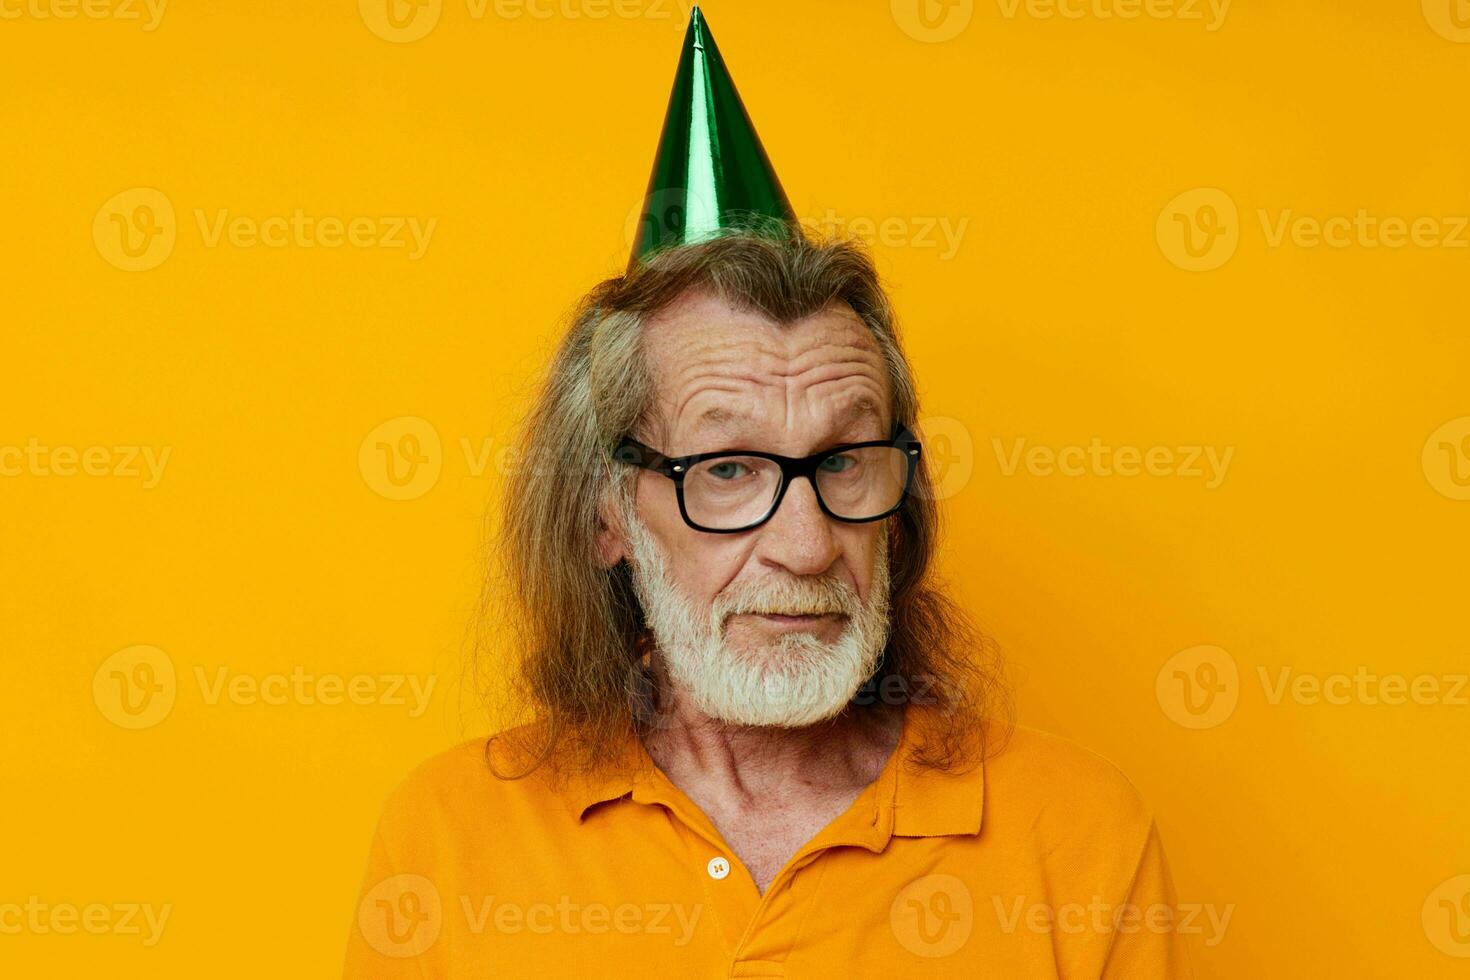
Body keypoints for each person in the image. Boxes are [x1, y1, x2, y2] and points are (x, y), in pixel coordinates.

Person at [343, 8, 1192, 978]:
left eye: (841, 461)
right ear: (605, 511)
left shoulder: (1078, 836)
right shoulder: (449, 837)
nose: (807, 541)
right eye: (730, 469)